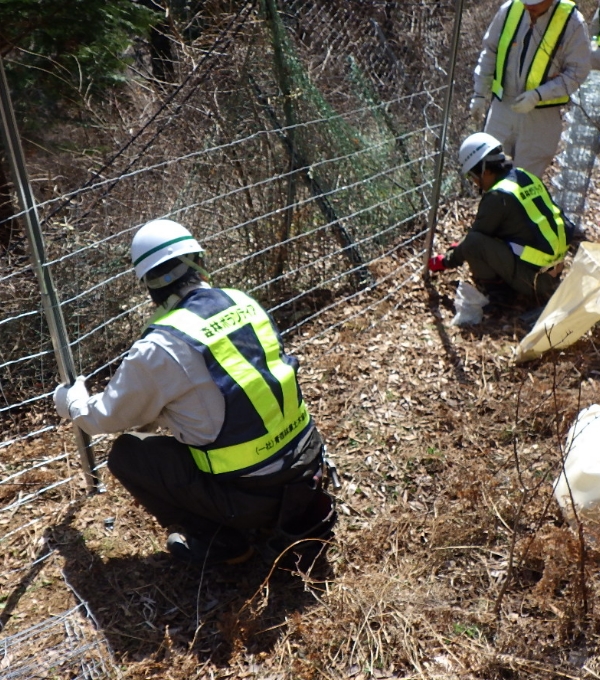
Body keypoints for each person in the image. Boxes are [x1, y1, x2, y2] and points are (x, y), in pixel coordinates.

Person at [54, 219, 337, 566]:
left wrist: (71, 401)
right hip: (309, 465)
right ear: (199, 261)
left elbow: (103, 418)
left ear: (149, 285)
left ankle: (224, 542)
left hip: (252, 497)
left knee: (129, 455)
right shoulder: (241, 301)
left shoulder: (160, 346)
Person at [428, 133, 573, 307]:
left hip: (535, 281)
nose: (474, 182)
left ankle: (500, 295)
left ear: (486, 170)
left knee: (474, 243)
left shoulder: (498, 196)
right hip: (555, 270)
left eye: (472, 176)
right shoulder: (524, 176)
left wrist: (445, 261)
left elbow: (475, 238)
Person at [469, 0, 590, 178]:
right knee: (491, 173)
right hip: (503, 108)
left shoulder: (572, 22)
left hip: (541, 116)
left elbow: (578, 72)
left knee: (525, 181)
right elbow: (490, 52)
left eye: (536, 3)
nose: (529, 7)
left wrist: (539, 95)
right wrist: (480, 93)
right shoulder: (510, 10)